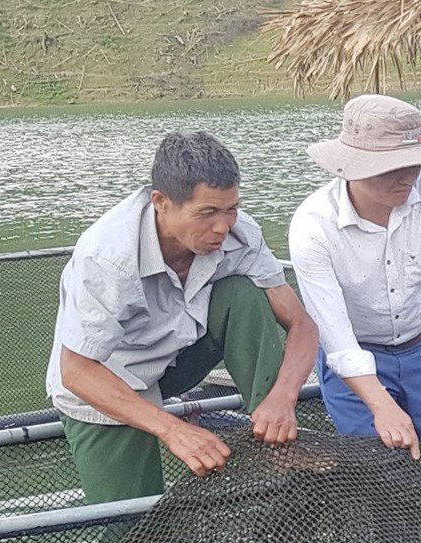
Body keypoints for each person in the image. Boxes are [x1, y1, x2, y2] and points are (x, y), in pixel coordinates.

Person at [49, 131, 319, 509]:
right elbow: (76, 370)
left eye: (231, 209)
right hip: (109, 379)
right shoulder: (106, 257)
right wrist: (171, 429)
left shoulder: (240, 234)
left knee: (242, 293)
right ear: (160, 202)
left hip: (179, 354)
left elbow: (302, 325)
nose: (222, 227)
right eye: (207, 213)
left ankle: (274, 437)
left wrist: (283, 398)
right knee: (133, 530)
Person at [288, 94, 421, 456]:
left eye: (414, 163)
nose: (408, 176)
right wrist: (380, 405)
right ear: (350, 167)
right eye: (391, 166)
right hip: (355, 356)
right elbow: (336, 336)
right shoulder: (312, 226)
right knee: (373, 462)